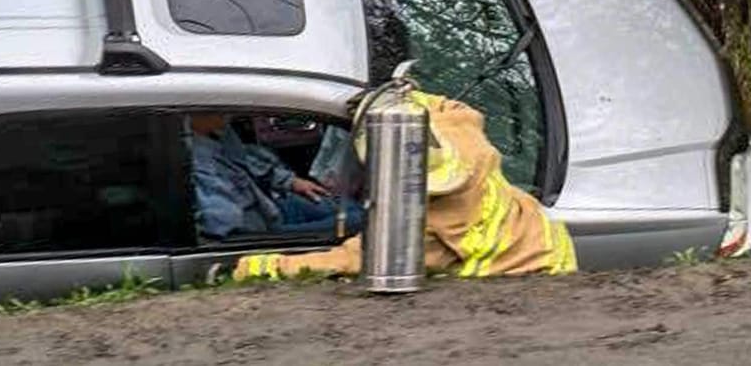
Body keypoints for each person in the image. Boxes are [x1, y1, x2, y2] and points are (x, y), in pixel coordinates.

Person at [232, 90, 578, 280]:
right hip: (552, 252)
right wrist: (399, 100)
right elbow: (449, 107)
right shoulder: (466, 141)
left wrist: (259, 267)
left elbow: (350, 260)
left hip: (525, 283)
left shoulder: (430, 225)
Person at [188, 113, 363, 241]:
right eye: (216, 110)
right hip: (260, 231)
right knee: (362, 221)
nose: (229, 115)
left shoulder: (220, 133)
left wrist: (291, 182)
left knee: (351, 207)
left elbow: (246, 161)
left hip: (270, 205)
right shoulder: (197, 162)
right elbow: (227, 226)